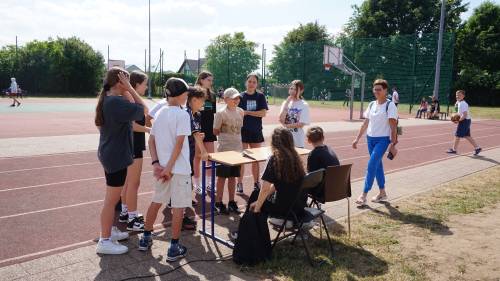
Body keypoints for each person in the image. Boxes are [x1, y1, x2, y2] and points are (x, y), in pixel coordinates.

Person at [138, 78, 192, 262]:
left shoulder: (160, 113)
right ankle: (174, 247)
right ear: (180, 95)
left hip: (162, 168)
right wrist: (169, 168)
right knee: (178, 207)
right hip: (179, 168)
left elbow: (151, 140)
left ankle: (145, 237)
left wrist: (156, 164)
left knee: (156, 200)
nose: (187, 96)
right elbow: (179, 144)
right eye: (186, 93)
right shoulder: (183, 114)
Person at [95, 67, 147, 255]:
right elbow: (143, 110)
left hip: (111, 153)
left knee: (113, 198)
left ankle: (109, 231)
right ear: (119, 82)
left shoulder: (108, 99)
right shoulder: (116, 102)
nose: (128, 83)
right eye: (125, 80)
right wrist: (131, 90)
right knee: (111, 201)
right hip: (115, 156)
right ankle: (104, 240)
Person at [248, 128, 313, 229]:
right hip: (299, 206)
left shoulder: (274, 159)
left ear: (274, 142)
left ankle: (250, 232)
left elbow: (264, 189)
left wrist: (257, 208)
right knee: (261, 198)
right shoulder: (296, 157)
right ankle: (288, 221)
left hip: (285, 209)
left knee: (255, 194)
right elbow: (278, 184)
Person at [352, 79, 398, 206]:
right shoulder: (372, 104)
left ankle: (363, 194)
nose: (376, 91)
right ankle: (382, 193)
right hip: (370, 139)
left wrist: (393, 143)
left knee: (371, 164)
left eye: (379, 89)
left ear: (385, 91)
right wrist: (357, 138)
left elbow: (393, 126)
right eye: (375, 89)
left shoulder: (390, 105)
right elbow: (366, 123)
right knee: (377, 165)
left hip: (383, 140)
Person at [118, 71, 150, 232]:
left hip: (129, 144)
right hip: (133, 144)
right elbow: (132, 124)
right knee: (134, 183)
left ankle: (125, 212)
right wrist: (149, 129)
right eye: (145, 84)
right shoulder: (129, 97)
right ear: (136, 85)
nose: (147, 87)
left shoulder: (127, 96)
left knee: (128, 182)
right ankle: (132, 217)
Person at [213, 88, 244, 214]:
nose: (236, 100)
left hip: (237, 149)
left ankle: (231, 201)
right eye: (233, 98)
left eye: (238, 98)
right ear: (226, 99)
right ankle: (218, 202)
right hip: (225, 150)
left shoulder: (241, 111)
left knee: (233, 177)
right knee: (221, 177)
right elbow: (215, 130)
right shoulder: (221, 113)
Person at [237, 73, 268, 194]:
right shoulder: (240, 96)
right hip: (243, 131)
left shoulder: (260, 96)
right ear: (246, 82)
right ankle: (239, 183)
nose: (251, 84)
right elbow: (238, 112)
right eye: (249, 81)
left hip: (256, 131)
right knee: (242, 159)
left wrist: (248, 112)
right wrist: (247, 112)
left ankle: (256, 183)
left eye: (254, 82)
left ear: (257, 84)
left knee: (256, 159)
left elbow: (263, 113)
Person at [194, 71, 217, 194]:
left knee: (210, 157)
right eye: (208, 80)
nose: (211, 82)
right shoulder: (193, 93)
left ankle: (209, 183)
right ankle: (197, 184)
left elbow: (211, 113)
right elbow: (194, 111)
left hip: (209, 129)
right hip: (197, 129)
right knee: (197, 157)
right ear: (201, 80)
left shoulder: (212, 95)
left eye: (211, 80)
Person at [446, 90, 482, 156]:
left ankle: (454, 150)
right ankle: (477, 148)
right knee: (467, 136)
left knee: (457, 135)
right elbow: (458, 112)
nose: (457, 96)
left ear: (463, 96)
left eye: (459, 95)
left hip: (464, 121)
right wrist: (453, 115)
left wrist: (458, 120)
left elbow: (464, 115)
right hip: (465, 121)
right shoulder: (458, 102)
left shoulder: (463, 104)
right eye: (457, 95)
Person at [279, 80, 310, 148]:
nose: (292, 91)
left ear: (301, 91)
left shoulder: (304, 105)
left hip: (297, 141)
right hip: (285, 140)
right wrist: (287, 103)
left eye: (295, 89)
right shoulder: (285, 103)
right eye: (291, 88)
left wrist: (286, 126)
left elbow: (301, 124)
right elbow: (281, 119)